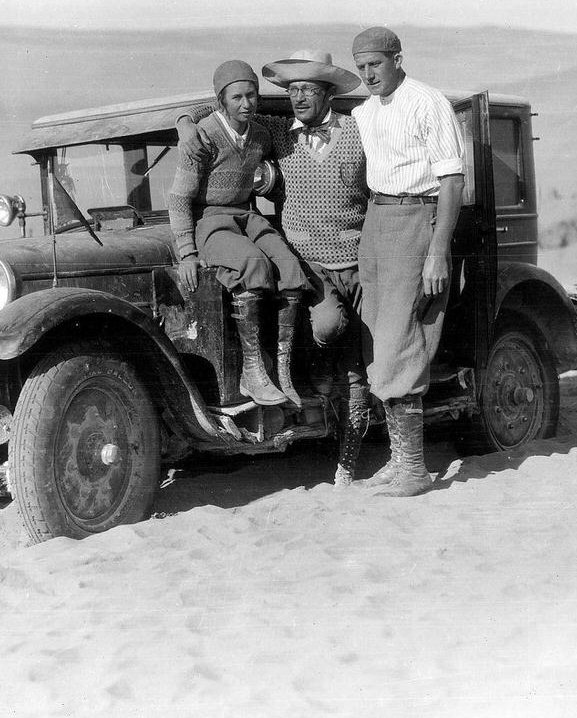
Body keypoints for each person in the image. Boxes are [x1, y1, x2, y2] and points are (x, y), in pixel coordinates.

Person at [176, 50, 372, 480]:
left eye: (309, 89)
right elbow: (214, 107)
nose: (299, 97)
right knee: (326, 329)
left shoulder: (352, 129)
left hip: (358, 259)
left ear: (329, 94)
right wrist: (185, 122)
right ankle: (272, 372)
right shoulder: (279, 132)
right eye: (293, 89)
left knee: (361, 357)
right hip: (303, 256)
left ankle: (299, 390)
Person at [350, 26, 465, 497]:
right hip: (377, 218)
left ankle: (415, 468)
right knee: (376, 335)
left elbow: (453, 181)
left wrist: (437, 250)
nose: (368, 74)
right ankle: (399, 461)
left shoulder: (427, 102)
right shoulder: (363, 111)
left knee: (400, 338)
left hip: (417, 218)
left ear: (398, 59)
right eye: (361, 67)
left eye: (375, 64)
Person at [166, 60, 309, 407]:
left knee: (291, 269)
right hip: (210, 221)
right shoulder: (201, 137)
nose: (246, 104)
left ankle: (283, 375)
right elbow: (179, 198)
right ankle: (252, 371)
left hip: (247, 215)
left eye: (252, 95)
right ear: (222, 102)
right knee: (252, 264)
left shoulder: (261, 132)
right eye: (237, 98)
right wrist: (186, 253)